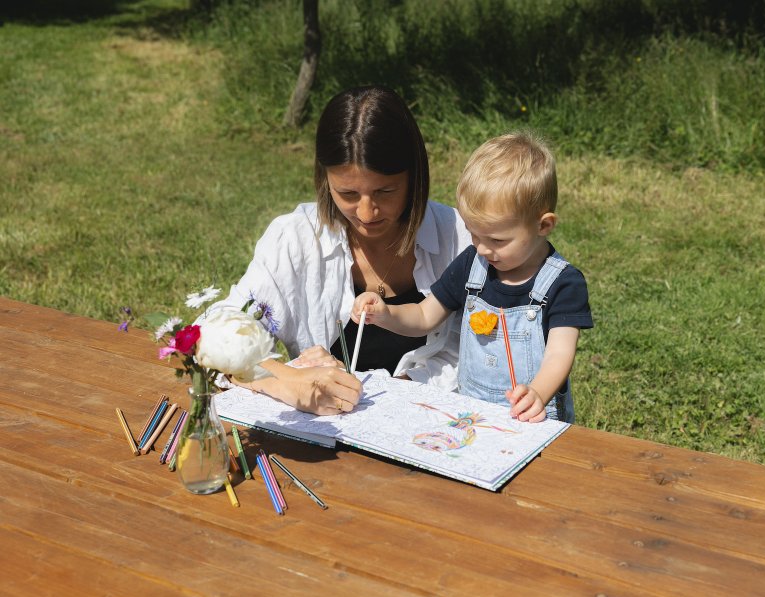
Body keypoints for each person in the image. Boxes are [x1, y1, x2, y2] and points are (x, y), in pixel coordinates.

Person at [208, 85, 470, 415]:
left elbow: (489, 351)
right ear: (324, 180)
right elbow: (218, 334)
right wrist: (285, 380)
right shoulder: (296, 239)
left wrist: (399, 391)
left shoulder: (462, 238)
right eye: (347, 194)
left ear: (415, 177)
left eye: (385, 191)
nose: (366, 213)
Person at [352, 132, 593, 423]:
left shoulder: (563, 284)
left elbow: (559, 354)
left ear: (543, 225)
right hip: (472, 415)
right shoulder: (473, 264)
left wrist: (538, 393)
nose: (482, 247)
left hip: (534, 419)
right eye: (474, 233)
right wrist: (386, 313)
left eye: (496, 239)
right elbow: (424, 316)